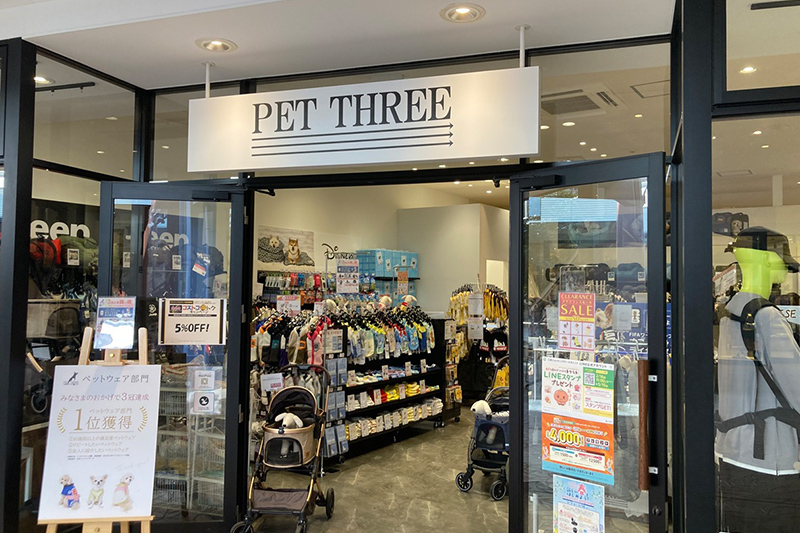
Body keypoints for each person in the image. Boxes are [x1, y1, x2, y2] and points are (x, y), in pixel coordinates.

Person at [716, 227, 800, 532]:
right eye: (782, 262)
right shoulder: (767, 317)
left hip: (731, 450)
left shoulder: (729, 313)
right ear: (765, 259)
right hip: (770, 458)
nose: (785, 272)